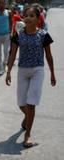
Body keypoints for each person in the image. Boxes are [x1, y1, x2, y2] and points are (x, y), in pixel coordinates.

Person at [6, 5, 56, 148]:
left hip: (37, 71)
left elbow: (49, 56)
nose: (28, 18)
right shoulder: (18, 35)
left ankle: (27, 135)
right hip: (22, 70)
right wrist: (8, 71)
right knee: (21, 103)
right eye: (26, 15)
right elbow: (13, 53)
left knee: (31, 103)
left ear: (38, 18)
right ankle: (28, 117)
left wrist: (52, 73)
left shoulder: (43, 35)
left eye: (31, 15)